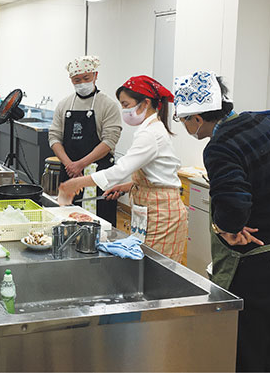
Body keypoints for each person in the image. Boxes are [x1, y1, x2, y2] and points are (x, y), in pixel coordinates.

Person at [173, 70, 270, 372]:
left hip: (255, 267)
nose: (186, 127)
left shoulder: (220, 146)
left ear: (197, 117)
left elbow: (234, 204)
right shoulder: (268, 123)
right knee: (269, 351)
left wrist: (225, 229)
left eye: (183, 120)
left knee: (245, 354)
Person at [59, 76, 187, 261]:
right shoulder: (148, 130)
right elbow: (154, 174)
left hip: (162, 212)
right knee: (142, 260)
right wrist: (126, 186)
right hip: (149, 207)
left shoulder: (151, 134)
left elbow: (120, 170)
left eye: (127, 104)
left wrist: (75, 183)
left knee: (157, 267)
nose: (124, 110)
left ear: (145, 103)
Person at [48, 55, 122, 225]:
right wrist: (70, 165)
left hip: (98, 173)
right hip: (70, 172)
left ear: (95, 75)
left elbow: (110, 140)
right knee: (67, 219)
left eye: (86, 78)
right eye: (76, 80)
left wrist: (80, 164)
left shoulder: (107, 105)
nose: (81, 83)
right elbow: (54, 137)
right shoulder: (64, 104)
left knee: (100, 222)